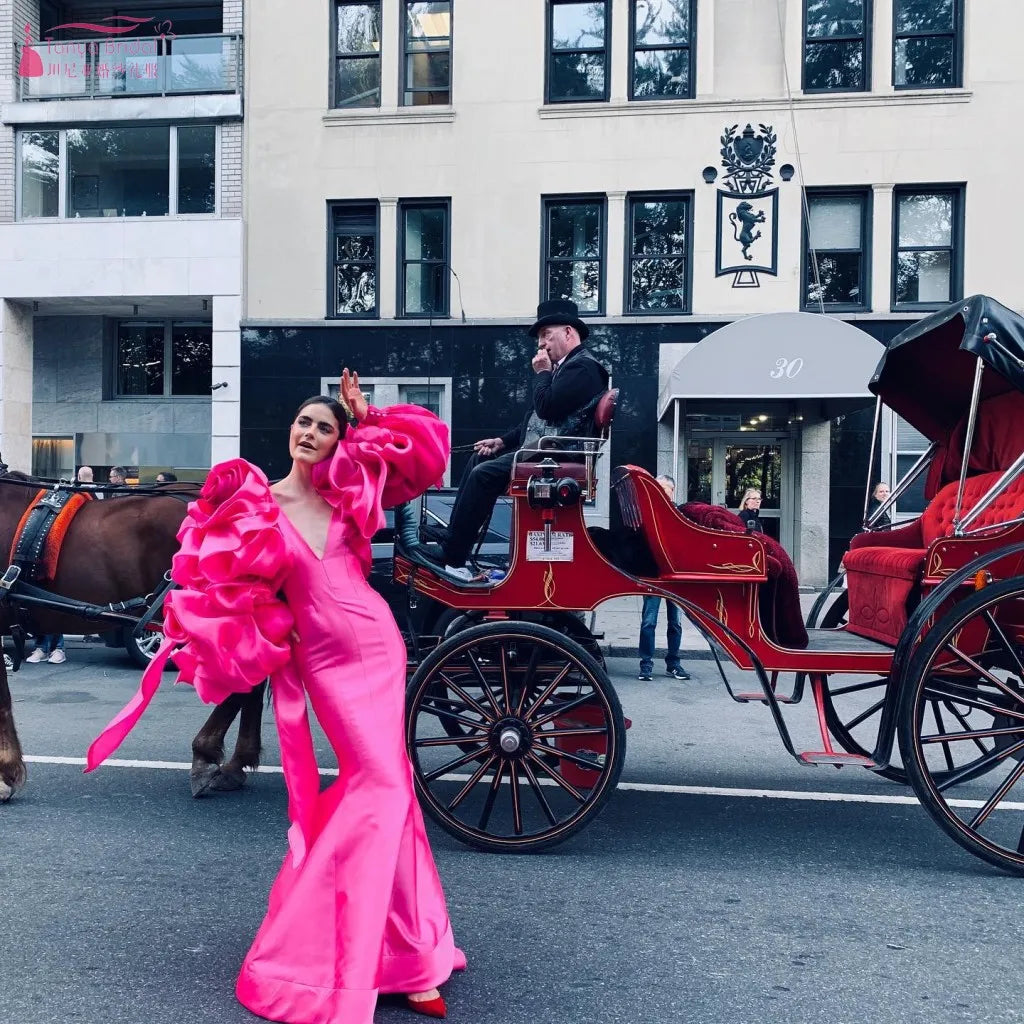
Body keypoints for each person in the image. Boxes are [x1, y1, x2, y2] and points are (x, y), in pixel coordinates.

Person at [86, 370, 464, 1023]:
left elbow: (421, 464)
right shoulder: (256, 507)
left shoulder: (348, 491)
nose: (313, 433)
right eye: (305, 423)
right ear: (290, 432)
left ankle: (408, 958)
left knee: (391, 786)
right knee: (380, 788)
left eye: (326, 427)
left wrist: (367, 419)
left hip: (379, 644)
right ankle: (335, 954)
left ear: (335, 440)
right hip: (325, 662)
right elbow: (220, 589)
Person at [437, 298, 609, 577]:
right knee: (478, 460)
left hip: (557, 457)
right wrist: (502, 442)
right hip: (545, 452)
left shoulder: (584, 369)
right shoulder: (565, 368)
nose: (541, 344)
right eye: (540, 338)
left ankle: (453, 556)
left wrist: (542, 374)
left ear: (568, 332)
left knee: (484, 475)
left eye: (546, 335)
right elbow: (534, 421)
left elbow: (546, 406)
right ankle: (454, 541)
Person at [637, 475, 690, 682]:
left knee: (674, 622)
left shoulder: (678, 513)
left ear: (672, 491)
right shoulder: (648, 510)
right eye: (657, 488)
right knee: (648, 622)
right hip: (653, 574)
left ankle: (673, 664)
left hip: (674, 576)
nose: (660, 492)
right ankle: (646, 665)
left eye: (664, 489)